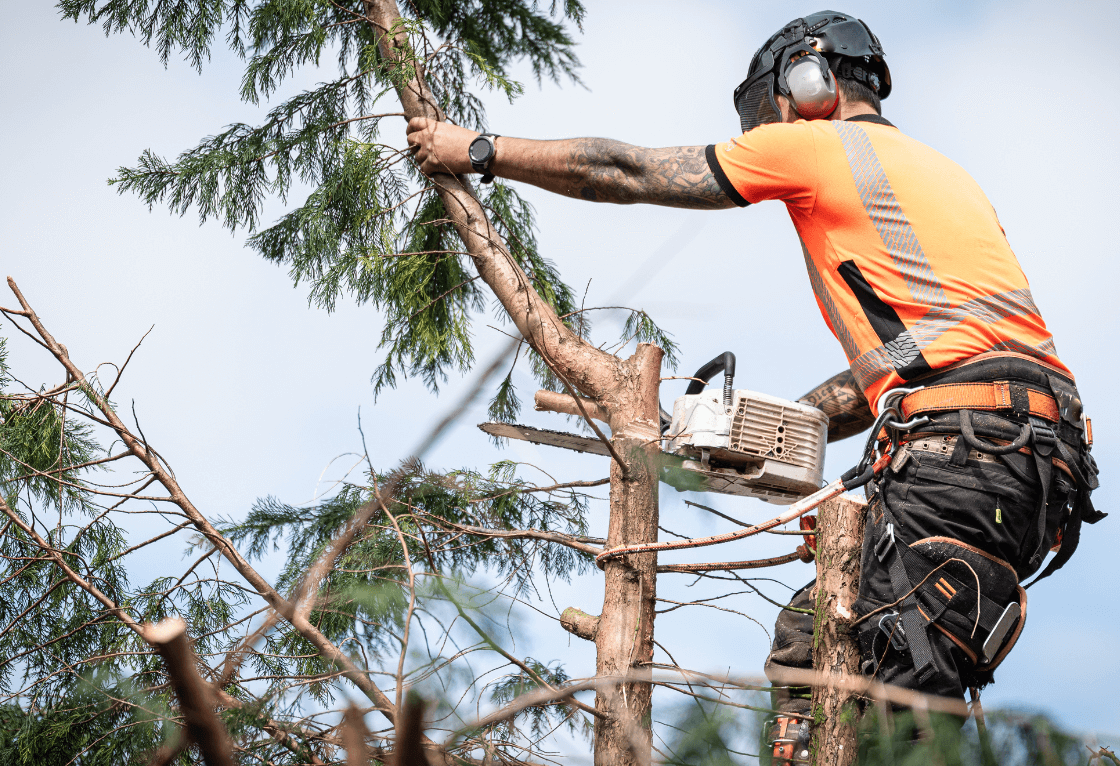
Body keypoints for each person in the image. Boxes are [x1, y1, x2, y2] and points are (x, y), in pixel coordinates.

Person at [406, 9, 1101, 763]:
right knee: (824, 643)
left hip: (964, 452)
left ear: (806, 84)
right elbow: (926, 353)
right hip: (1028, 463)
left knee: (882, 678)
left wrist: (475, 149)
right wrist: (779, 424)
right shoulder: (937, 179)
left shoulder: (818, 143)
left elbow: (626, 171)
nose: (766, 132)